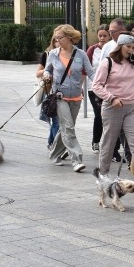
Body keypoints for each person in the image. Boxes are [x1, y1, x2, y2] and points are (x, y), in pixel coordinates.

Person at [91, 33, 134, 191]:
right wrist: (111, 98)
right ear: (120, 46)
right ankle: (103, 174)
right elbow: (96, 85)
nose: (131, 50)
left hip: (131, 106)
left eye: (133, 47)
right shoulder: (107, 63)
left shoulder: (133, 63)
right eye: (128, 47)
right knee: (109, 141)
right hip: (113, 107)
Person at [43, 24, 95, 173]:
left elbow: (90, 72)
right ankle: (76, 159)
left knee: (65, 129)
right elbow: (47, 69)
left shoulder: (81, 54)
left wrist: (101, 84)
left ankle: (54, 154)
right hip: (60, 96)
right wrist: (47, 75)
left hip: (76, 97)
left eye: (60, 37)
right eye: (56, 38)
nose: (57, 40)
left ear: (70, 37)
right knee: (69, 128)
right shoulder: (53, 53)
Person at [86, 24, 111, 153]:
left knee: (109, 117)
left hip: (110, 88)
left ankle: (110, 144)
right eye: (100, 36)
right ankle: (96, 141)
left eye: (104, 36)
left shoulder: (113, 48)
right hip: (94, 87)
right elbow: (85, 68)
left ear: (109, 36)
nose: (102, 38)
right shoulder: (92, 49)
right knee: (99, 115)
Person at [36, 36, 60, 147]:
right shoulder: (47, 54)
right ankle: (55, 145)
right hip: (50, 91)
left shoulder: (67, 55)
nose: (58, 42)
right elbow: (38, 73)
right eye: (56, 40)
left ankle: (51, 142)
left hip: (62, 90)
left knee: (56, 120)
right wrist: (48, 71)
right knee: (56, 120)